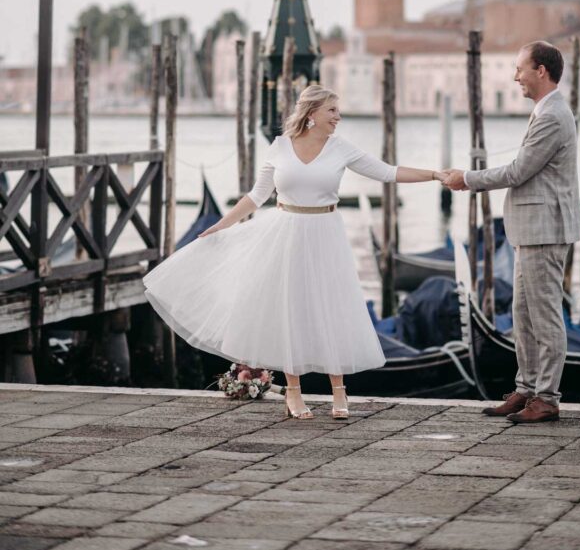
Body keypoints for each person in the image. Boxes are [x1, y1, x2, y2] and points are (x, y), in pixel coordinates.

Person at [143, 85, 446, 420]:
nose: (338, 117)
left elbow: (388, 172)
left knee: (330, 307)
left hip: (326, 234)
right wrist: (222, 225)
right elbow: (256, 197)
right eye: (332, 110)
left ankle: (339, 390)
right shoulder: (280, 147)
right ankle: (293, 391)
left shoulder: (340, 148)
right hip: (285, 233)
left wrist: (434, 174)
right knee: (290, 311)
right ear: (312, 112)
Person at [443, 40, 580, 424]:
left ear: (541, 70)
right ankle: (527, 388)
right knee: (523, 314)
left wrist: (467, 178)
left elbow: (519, 171)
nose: (515, 76)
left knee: (545, 316)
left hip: (544, 230)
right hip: (531, 229)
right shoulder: (546, 111)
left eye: (520, 68)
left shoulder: (553, 115)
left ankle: (547, 397)